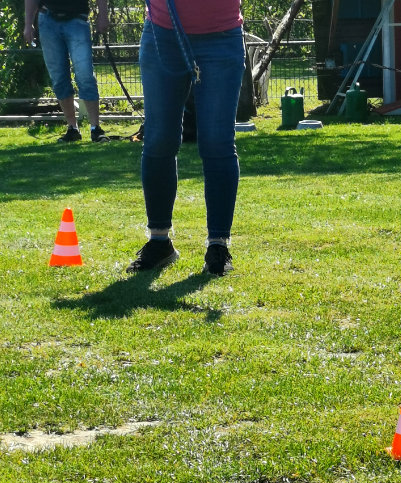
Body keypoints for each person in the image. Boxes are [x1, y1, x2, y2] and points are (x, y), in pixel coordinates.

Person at [125, 0, 244, 276]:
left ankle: (218, 244)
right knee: (158, 139)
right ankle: (159, 241)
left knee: (217, 142)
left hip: (221, 34)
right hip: (162, 34)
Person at [24, 0, 110, 142]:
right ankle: (72, 128)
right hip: (47, 18)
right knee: (58, 77)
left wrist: (103, 14)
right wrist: (28, 24)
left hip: (77, 18)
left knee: (84, 74)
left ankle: (95, 128)